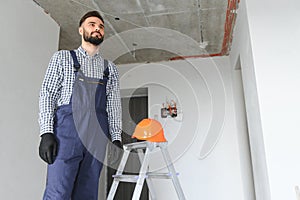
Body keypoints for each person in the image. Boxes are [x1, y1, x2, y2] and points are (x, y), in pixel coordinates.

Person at [38, 11, 122, 200]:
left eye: (101, 26)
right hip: (67, 135)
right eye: (92, 24)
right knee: (58, 192)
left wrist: (116, 138)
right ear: (80, 29)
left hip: (97, 136)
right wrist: (46, 132)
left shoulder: (110, 70)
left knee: (87, 193)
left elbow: (114, 105)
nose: (97, 29)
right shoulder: (62, 58)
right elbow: (47, 94)